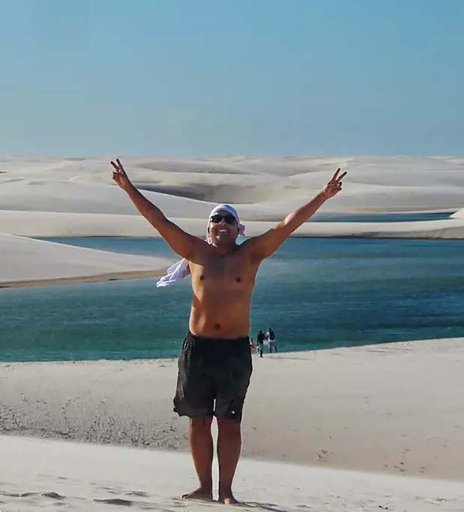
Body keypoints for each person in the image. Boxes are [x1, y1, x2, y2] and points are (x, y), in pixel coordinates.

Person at [111, 158, 346, 505]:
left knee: (230, 423)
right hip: (198, 350)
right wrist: (129, 188)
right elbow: (158, 220)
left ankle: (226, 491)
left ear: (239, 229)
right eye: (215, 219)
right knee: (198, 421)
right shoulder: (193, 251)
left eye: (229, 219)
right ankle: (204, 487)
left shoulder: (251, 254)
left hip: (234, 350)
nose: (221, 223)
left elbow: (287, 225)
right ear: (208, 229)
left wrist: (322, 197)